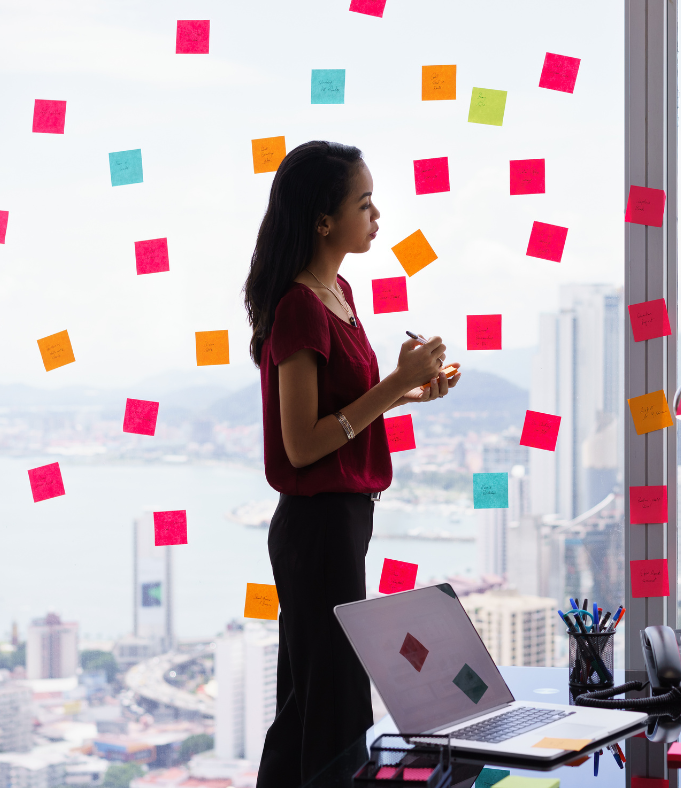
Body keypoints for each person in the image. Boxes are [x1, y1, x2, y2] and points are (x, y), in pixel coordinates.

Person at [243, 140, 461, 786]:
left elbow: (344, 409)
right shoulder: (298, 309)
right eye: (364, 203)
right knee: (331, 703)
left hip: (344, 520)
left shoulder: (338, 291)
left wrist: (415, 388)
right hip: (316, 527)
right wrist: (396, 385)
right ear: (322, 220)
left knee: (313, 700)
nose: (377, 217)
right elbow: (303, 444)